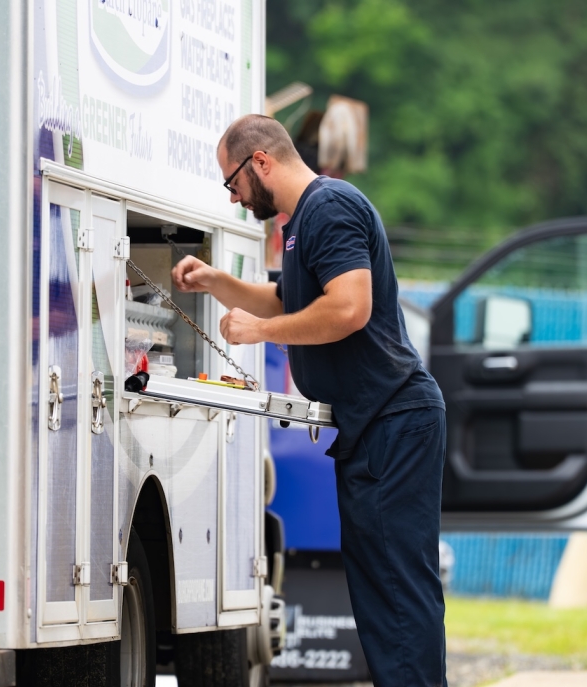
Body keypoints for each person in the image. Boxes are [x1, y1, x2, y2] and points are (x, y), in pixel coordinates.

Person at [171, 114, 448, 686]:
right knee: (380, 592)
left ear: (262, 162)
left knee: (396, 592)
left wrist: (259, 333)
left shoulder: (330, 207)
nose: (235, 197)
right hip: (374, 427)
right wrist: (215, 282)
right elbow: (282, 298)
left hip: (395, 420)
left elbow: (349, 309)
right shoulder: (304, 224)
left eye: (234, 183)